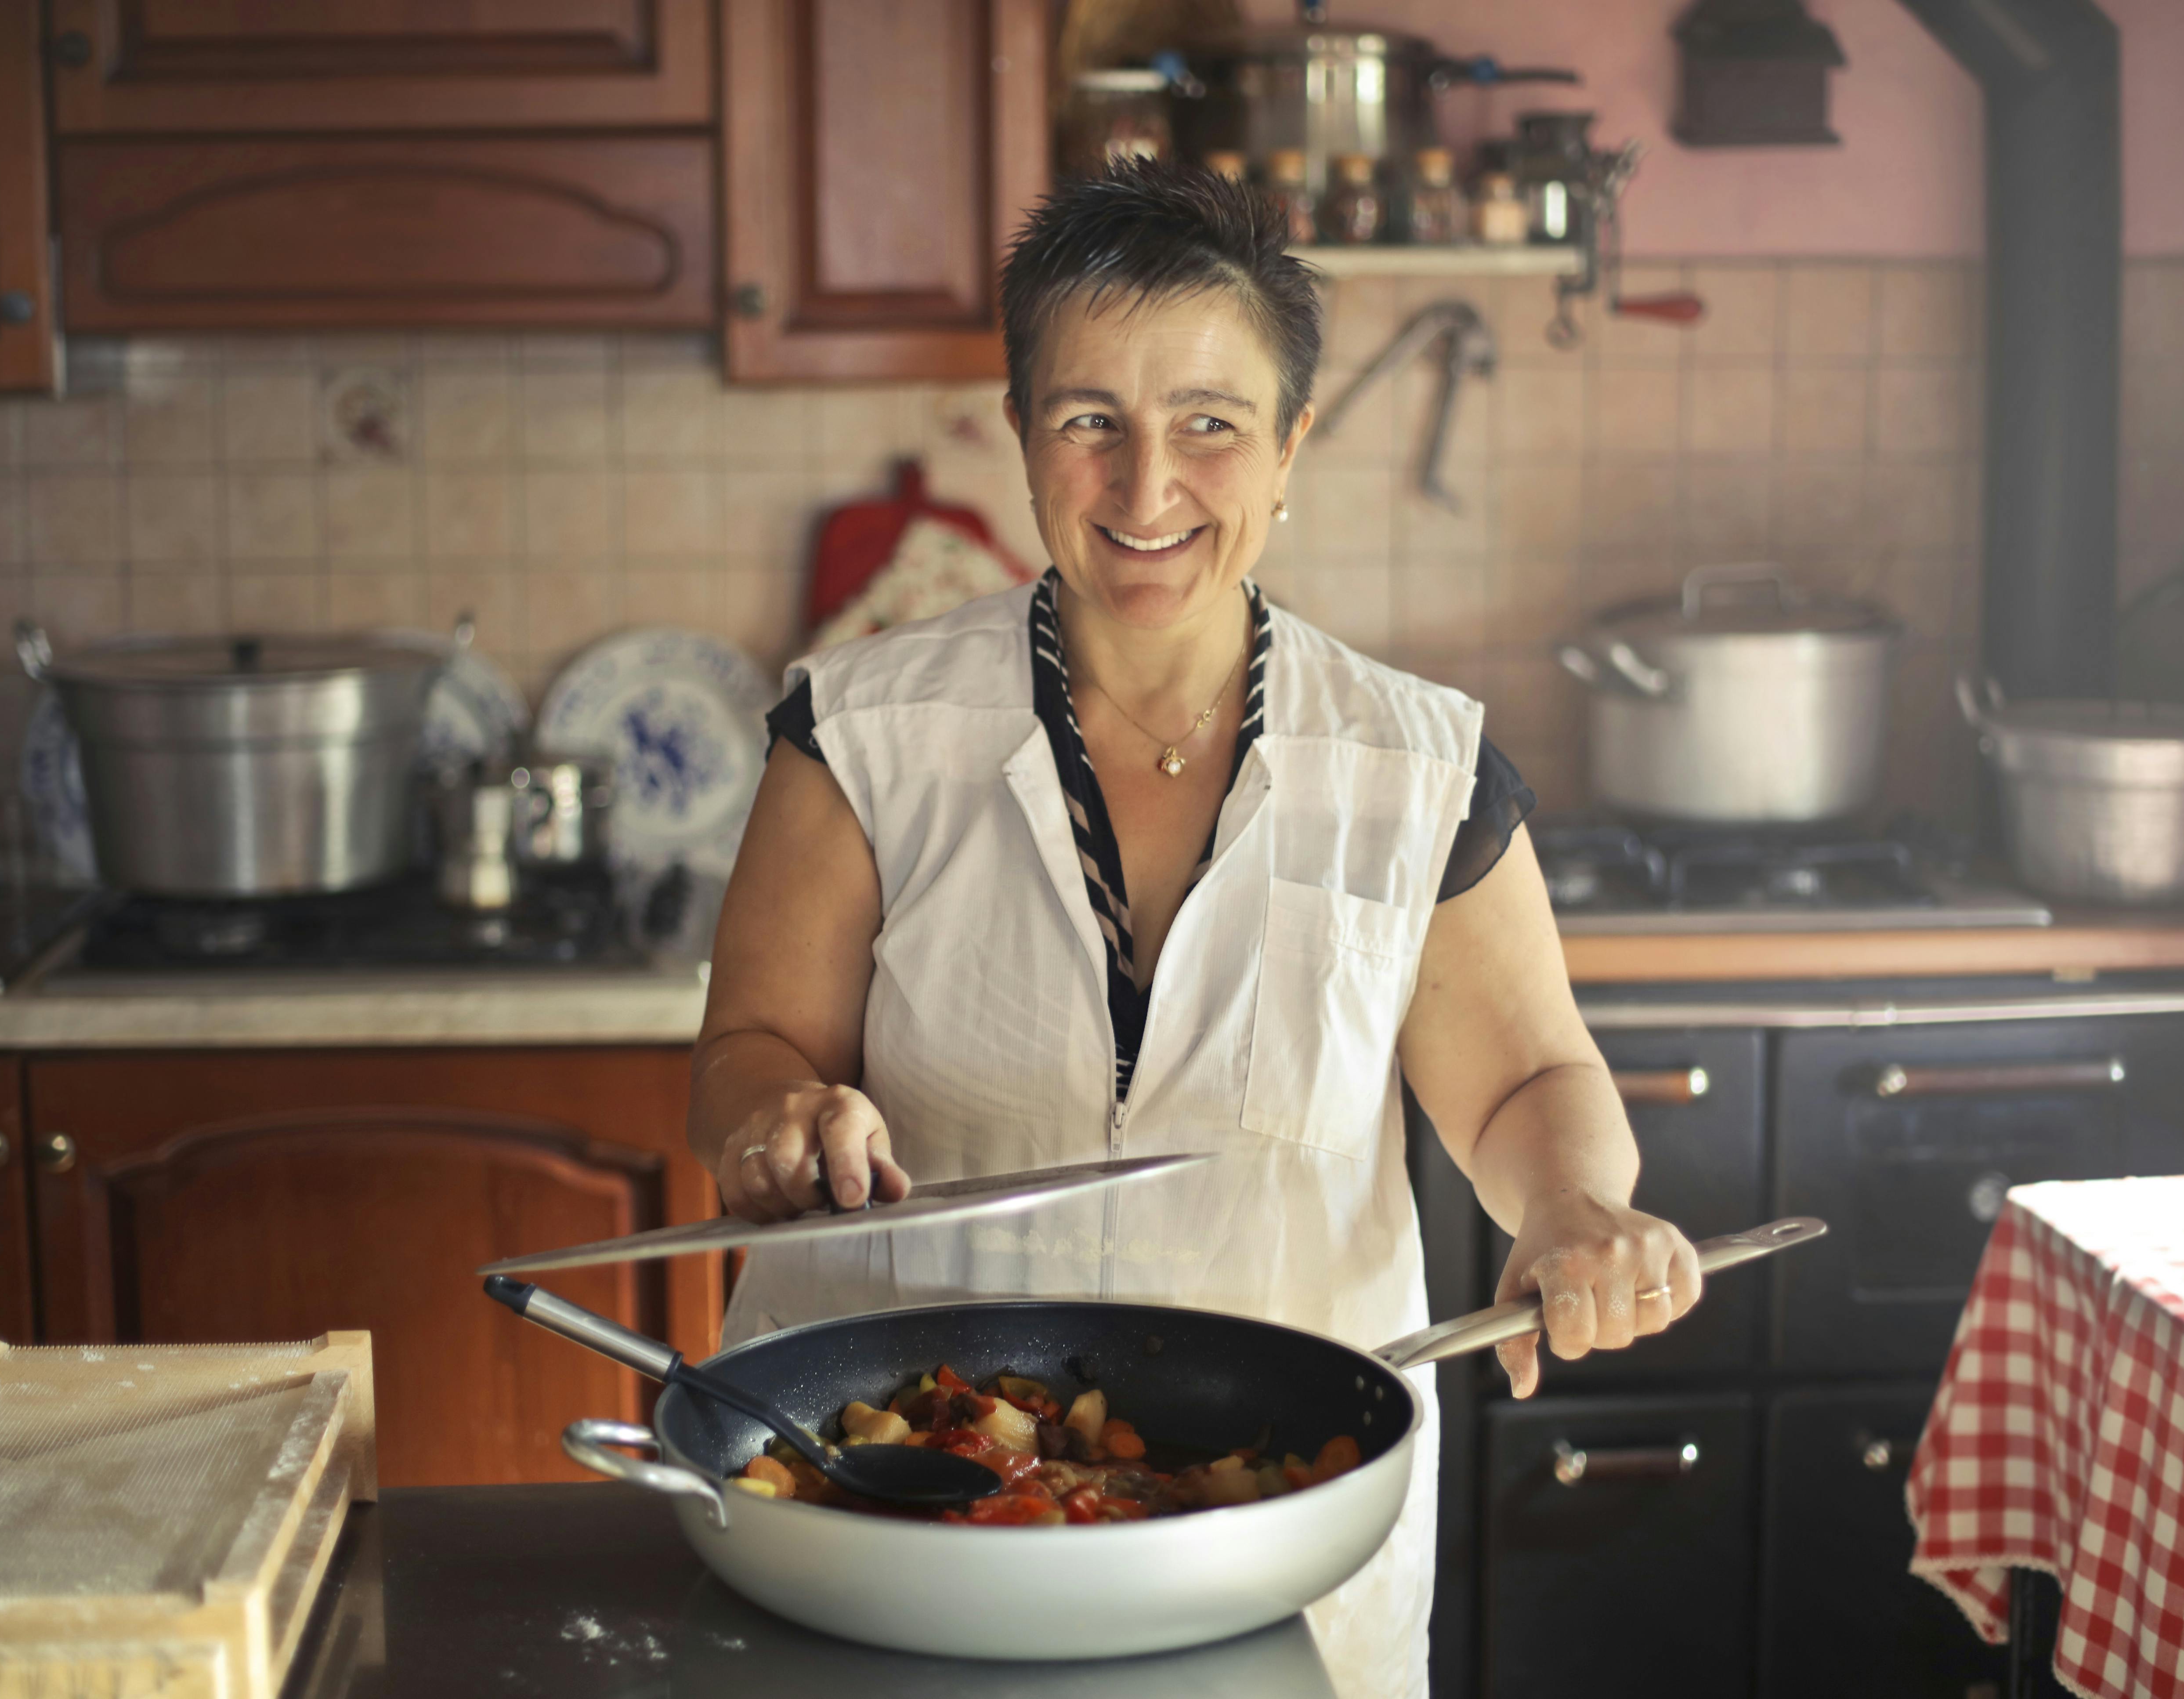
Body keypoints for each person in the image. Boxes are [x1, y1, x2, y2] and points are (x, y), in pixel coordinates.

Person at [687, 160, 1700, 1699]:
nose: (1147, 488)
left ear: (1291, 448)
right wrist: (776, 1114)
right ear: (1023, 433)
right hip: (890, 1506)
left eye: (1209, 426)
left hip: (1277, 1539)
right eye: (1091, 420)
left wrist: (1566, 1205)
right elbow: (752, 1048)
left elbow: (1521, 1084)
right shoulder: (860, 732)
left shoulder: (1417, 770)